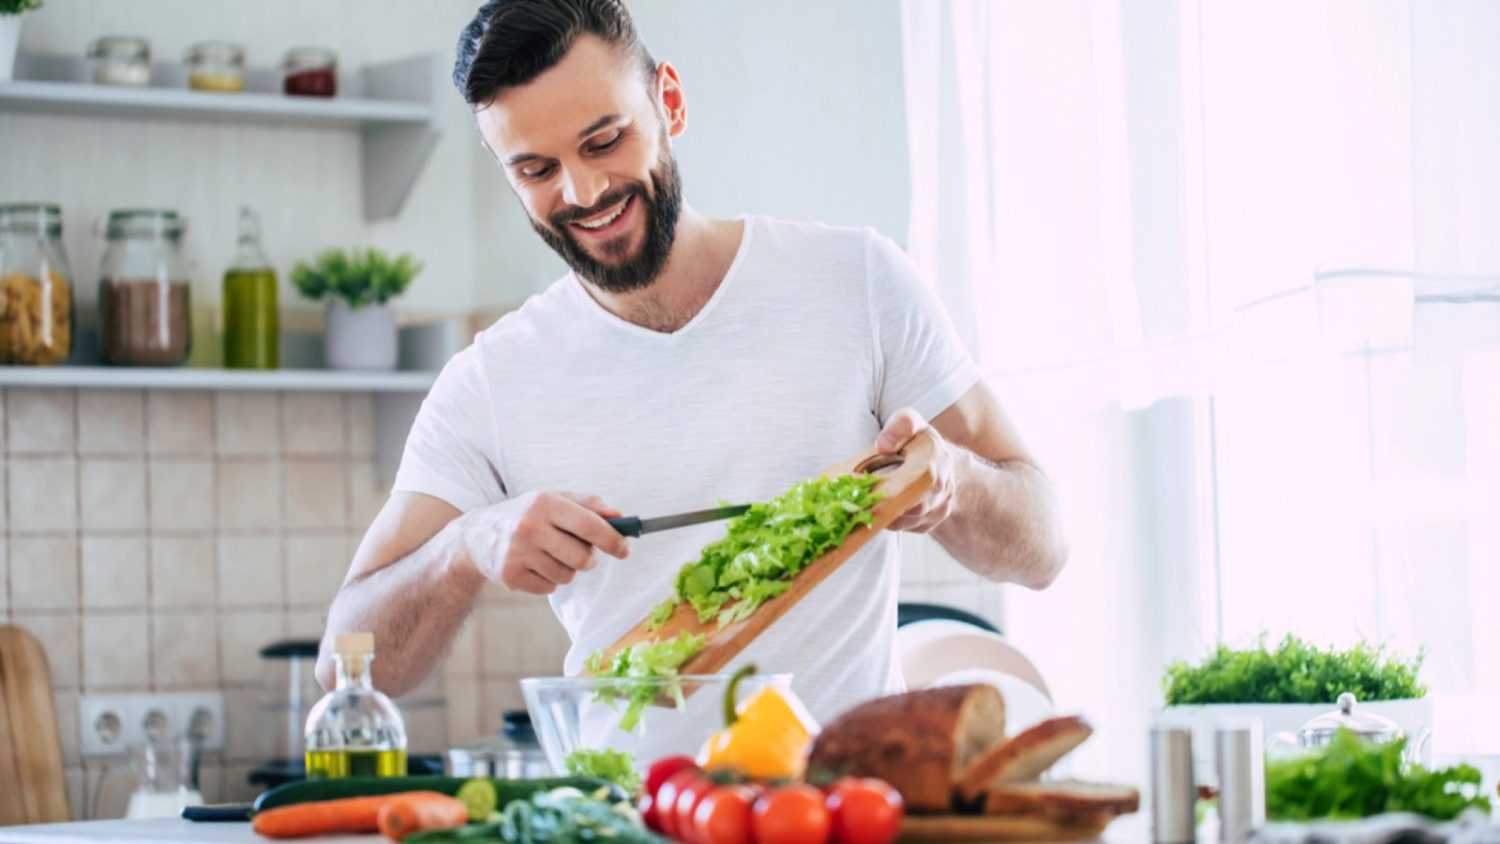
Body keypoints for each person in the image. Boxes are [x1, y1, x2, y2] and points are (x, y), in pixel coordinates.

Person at [317, 0, 1067, 743]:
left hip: (842, 814)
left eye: (604, 140)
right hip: (625, 820)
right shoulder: (491, 380)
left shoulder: (857, 283)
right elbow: (346, 666)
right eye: (536, 169)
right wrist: (465, 546)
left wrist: (954, 485)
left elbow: (1042, 550)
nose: (583, 193)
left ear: (667, 101)